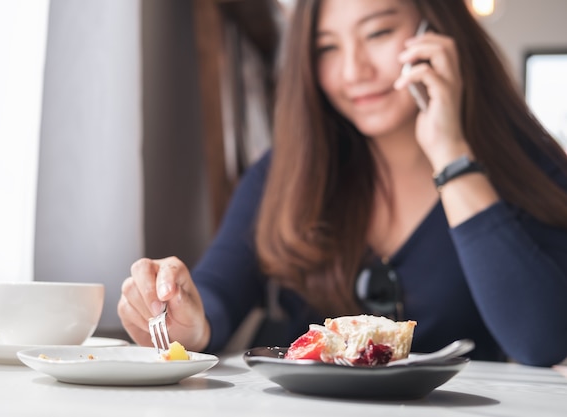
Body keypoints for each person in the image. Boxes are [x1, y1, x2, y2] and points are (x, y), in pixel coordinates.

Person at [118, 0, 567, 367]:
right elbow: (218, 289)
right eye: (326, 48)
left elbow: (542, 340)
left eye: (378, 34)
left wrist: (451, 155)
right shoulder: (286, 174)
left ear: (437, 29)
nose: (353, 70)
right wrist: (189, 323)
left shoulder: (531, 167)